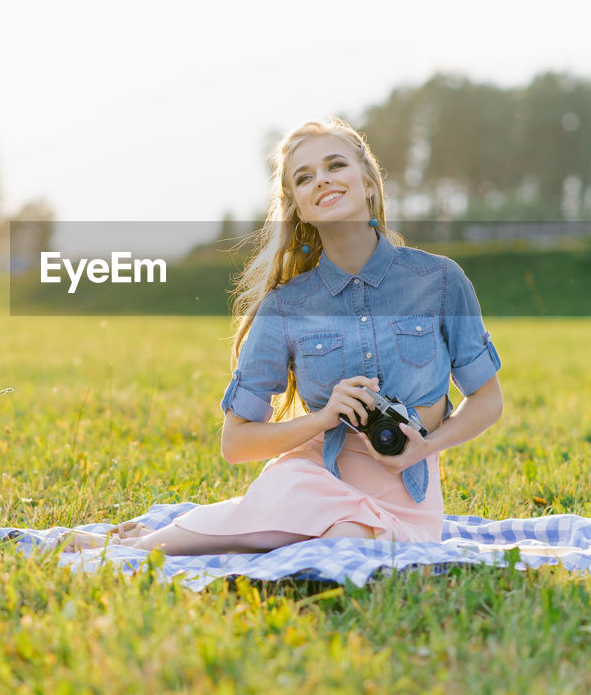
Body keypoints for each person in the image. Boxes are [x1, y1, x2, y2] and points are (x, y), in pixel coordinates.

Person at [63, 118, 503, 554]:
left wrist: (425, 446)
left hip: (407, 494)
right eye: (305, 177)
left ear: (369, 183)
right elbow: (236, 444)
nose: (323, 181)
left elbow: (487, 399)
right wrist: (326, 416)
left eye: (336, 165)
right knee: (307, 522)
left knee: (346, 543)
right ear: (298, 206)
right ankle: (142, 547)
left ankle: (195, 534)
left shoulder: (439, 280)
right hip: (316, 478)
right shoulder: (286, 306)